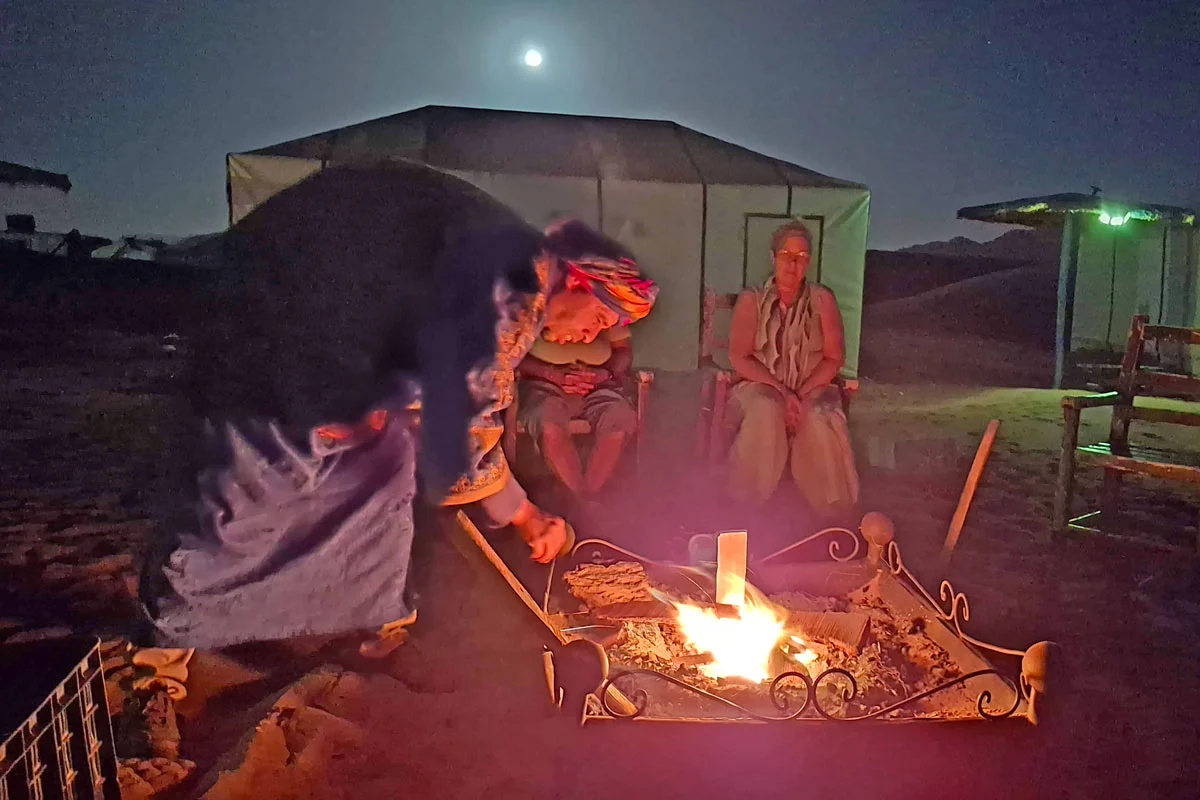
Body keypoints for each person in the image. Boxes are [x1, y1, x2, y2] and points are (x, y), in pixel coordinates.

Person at [135, 162, 657, 663]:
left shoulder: (512, 259)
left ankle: (377, 624)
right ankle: (164, 658)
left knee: (379, 472)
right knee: (255, 485)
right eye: (601, 318)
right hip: (277, 320)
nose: (593, 336)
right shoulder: (517, 285)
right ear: (580, 283)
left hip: (295, 296)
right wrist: (526, 516)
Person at [726, 220, 859, 518]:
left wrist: (802, 394)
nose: (793, 264)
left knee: (820, 415)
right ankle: (744, 506)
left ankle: (832, 513)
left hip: (813, 385)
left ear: (809, 262)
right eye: (787, 255)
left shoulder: (823, 299)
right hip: (761, 385)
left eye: (801, 257)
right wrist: (784, 393)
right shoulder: (753, 299)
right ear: (773, 258)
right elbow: (740, 357)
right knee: (765, 409)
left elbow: (833, 358)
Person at [516, 297, 640, 499]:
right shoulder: (536, 303)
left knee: (619, 419)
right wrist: (552, 374)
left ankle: (584, 497)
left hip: (599, 384)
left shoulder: (602, 306)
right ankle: (585, 500)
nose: (588, 337)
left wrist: (606, 373)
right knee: (549, 423)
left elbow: (623, 351)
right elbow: (513, 356)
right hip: (544, 383)